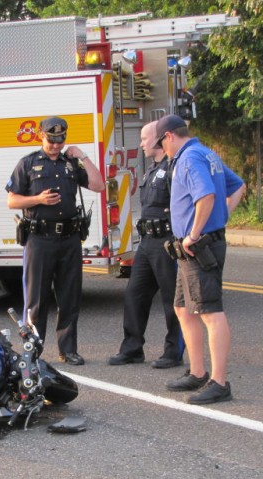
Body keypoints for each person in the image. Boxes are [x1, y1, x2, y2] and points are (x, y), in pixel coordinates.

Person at [156, 114, 246, 404]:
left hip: (199, 247)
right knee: (182, 308)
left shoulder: (189, 157)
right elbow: (238, 186)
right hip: (196, 247)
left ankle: (219, 382)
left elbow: (205, 196)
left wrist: (195, 233)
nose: (162, 150)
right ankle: (197, 371)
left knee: (210, 312)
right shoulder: (206, 153)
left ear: (169, 136)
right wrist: (222, 216)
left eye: (161, 143)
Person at [6, 116, 104, 365]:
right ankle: (33, 350)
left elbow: (99, 185)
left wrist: (82, 156)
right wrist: (37, 199)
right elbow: (12, 200)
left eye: (60, 140)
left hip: (69, 239)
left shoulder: (71, 164)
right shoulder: (28, 163)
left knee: (69, 296)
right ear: (41, 135)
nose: (56, 145)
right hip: (40, 239)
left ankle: (68, 350)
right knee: (36, 299)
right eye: (51, 140)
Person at [108, 120, 183, 369]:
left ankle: (174, 352)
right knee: (134, 295)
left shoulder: (174, 168)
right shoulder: (152, 169)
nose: (140, 144)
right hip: (148, 242)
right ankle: (132, 348)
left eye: (143, 138)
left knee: (173, 300)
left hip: (166, 242)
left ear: (159, 138)